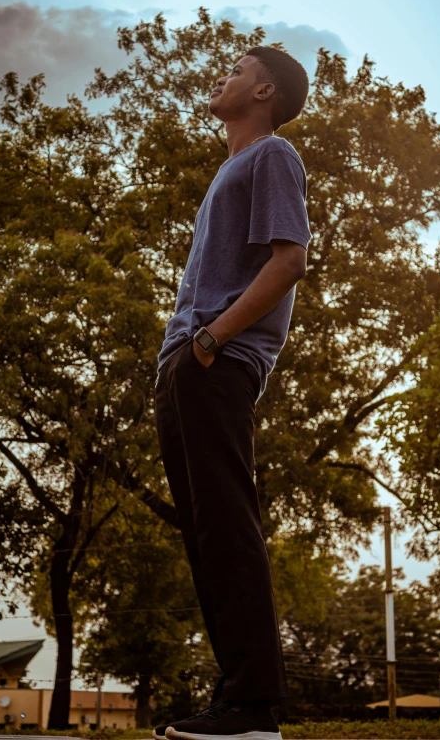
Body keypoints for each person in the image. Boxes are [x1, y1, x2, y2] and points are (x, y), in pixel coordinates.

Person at [154, 45, 311, 740]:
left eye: (235, 67)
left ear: (264, 89)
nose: (221, 73)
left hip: (216, 360)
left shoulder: (270, 156)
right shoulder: (229, 168)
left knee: (227, 523)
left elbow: (289, 261)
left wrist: (211, 342)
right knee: (204, 533)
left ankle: (253, 706)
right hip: (185, 366)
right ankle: (234, 702)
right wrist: (181, 359)